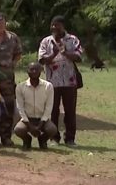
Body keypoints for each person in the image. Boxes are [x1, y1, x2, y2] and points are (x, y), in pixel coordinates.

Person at [38, 16, 83, 146]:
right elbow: (41, 60)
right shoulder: (46, 41)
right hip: (52, 82)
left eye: (56, 25)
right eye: (52, 25)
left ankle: (70, 138)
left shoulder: (73, 40)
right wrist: (54, 53)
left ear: (63, 26)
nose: (54, 28)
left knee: (70, 111)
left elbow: (79, 57)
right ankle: (54, 137)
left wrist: (65, 52)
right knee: (53, 111)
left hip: (70, 82)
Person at [0, 12, 23, 146]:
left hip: (7, 77)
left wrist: (12, 65)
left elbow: (18, 54)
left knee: (8, 106)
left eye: (1, 24)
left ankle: (6, 136)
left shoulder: (13, 38)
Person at [14, 62, 58, 150]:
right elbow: (20, 108)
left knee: (52, 129)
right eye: (31, 69)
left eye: (36, 69)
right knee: (18, 129)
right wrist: (30, 126)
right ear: (27, 71)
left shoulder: (48, 86)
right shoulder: (20, 87)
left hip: (42, 119)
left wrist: (41, 124)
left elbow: (49, 107)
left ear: (41, 71)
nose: (34, 71)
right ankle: (27, 141)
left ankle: (42, 140)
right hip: (27, 119)